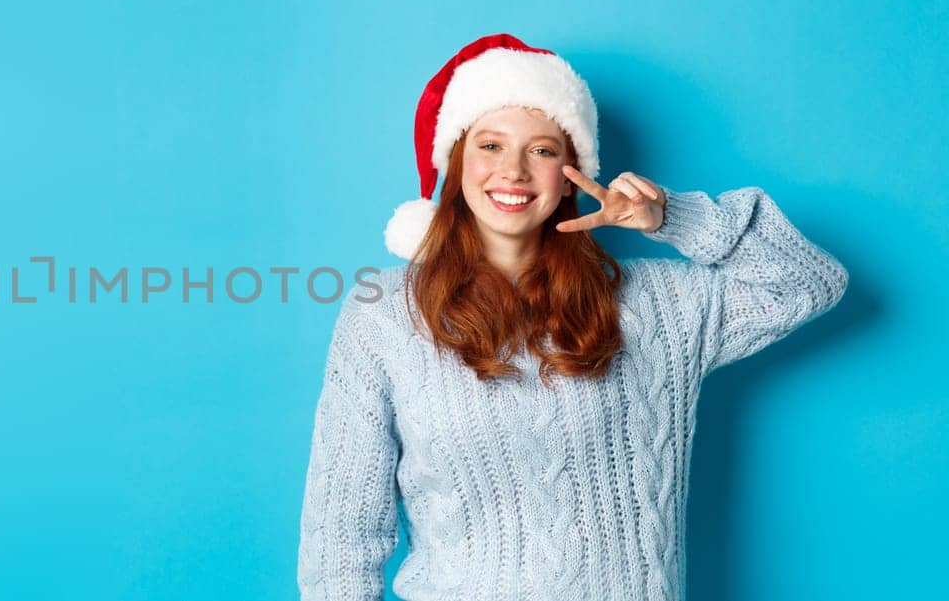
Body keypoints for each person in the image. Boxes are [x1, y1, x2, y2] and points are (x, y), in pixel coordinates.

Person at [296, 34, 848, 601]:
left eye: (541, 150)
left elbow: (808, 283)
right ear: (457, 161)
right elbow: (341, 539)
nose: (513, 170)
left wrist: (673, 218)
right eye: (489, 145)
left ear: (571, 172)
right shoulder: (384, 316)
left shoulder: (658, 305)